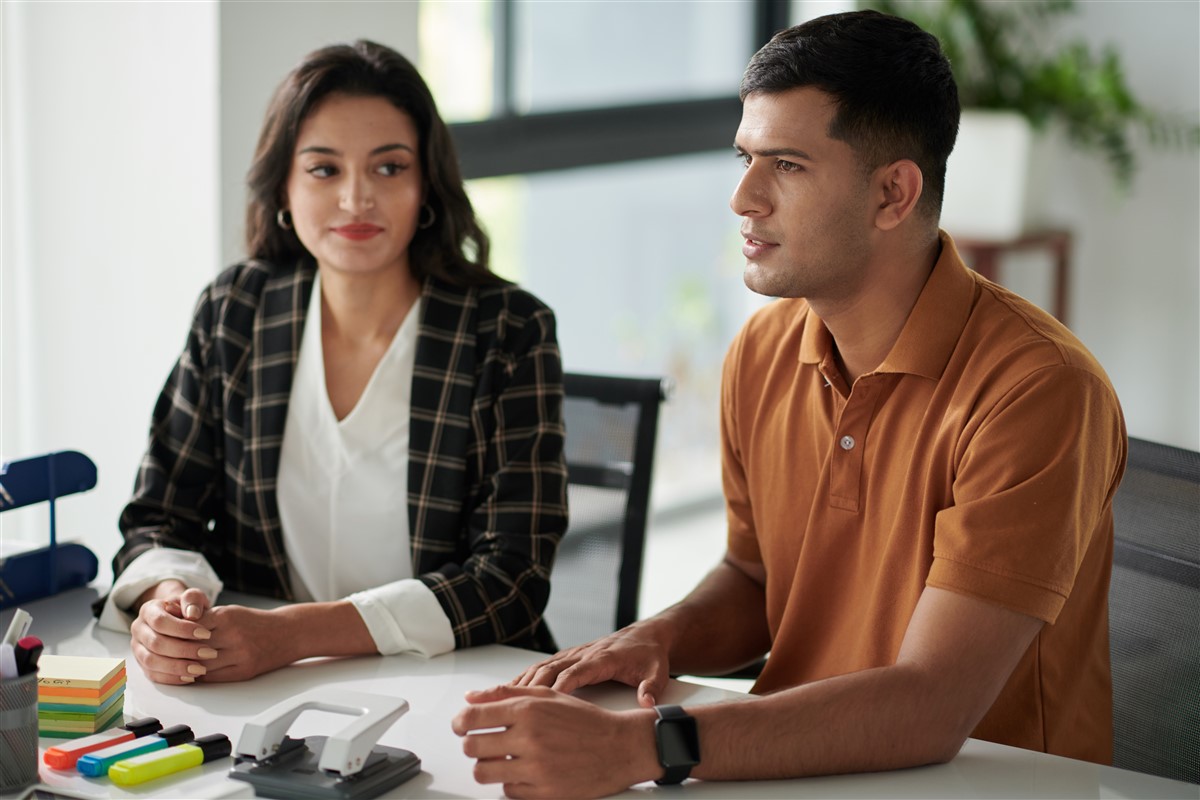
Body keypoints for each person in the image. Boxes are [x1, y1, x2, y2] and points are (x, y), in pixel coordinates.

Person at [451, 10, 1126, 798]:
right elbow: (756, 578)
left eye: (787, 165)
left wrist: (648, 747)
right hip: (794, 771)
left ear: (892, 194)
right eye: (744, 157)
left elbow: (932, 704)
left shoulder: (1038, 390)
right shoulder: (763, 352)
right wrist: (659, 636)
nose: (743, 196)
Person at [96, 40, 568, 685]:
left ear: (426, 183)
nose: (355, 199)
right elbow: (159, 516)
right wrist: (168, 608)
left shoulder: (508, 329)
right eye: (324, 169)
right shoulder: (236, 310)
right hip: (261, 686)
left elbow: (510, 577)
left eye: (389, 168)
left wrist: (293, 634)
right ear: (283, 188)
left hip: (460, 684)